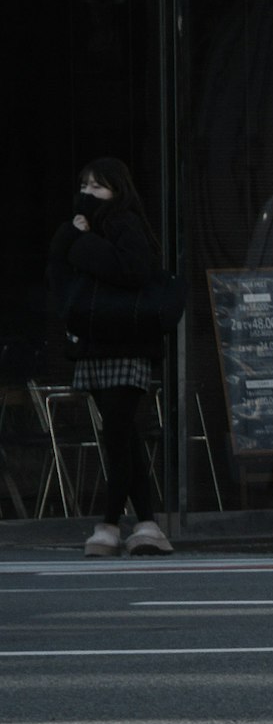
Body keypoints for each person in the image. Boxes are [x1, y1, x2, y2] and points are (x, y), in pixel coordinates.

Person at [49, 160, 174, 558]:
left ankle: (108, 524)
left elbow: (133, 270)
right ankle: (147, 524)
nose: (88, 192)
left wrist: (83, 242)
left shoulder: (123, 222)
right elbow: (55, 270)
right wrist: (73, 232)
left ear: (117, 191)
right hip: (97, 343)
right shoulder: (82, 224)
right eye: (84, 184)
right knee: (123, 434)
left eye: (98, 187)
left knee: (117, 432)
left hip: (126, 343)